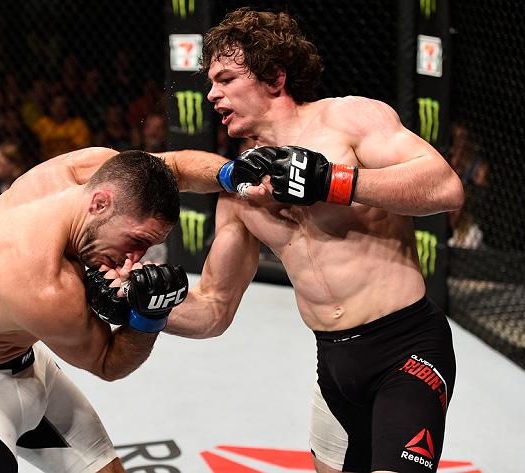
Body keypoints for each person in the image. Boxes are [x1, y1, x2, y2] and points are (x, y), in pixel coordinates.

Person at [164, 8, 465, 473]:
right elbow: (214, 309)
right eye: (211, 82)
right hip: (334, 368)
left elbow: (446, 188)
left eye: (225, 78)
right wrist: (143, 309)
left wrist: (334, 183)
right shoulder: (240, 192)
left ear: (274, 77)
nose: (211, 93)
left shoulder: (349, 120)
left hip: (407, 351)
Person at [0, 146, 230, 472]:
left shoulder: (90, 171)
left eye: (145, 247)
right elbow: (109, 363)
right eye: (134, 240)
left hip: (30, 365)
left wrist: (235, 176)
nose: (132, 259)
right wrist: (148, 316)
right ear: (99, 205)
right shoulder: (45, 286)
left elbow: (175, 167)